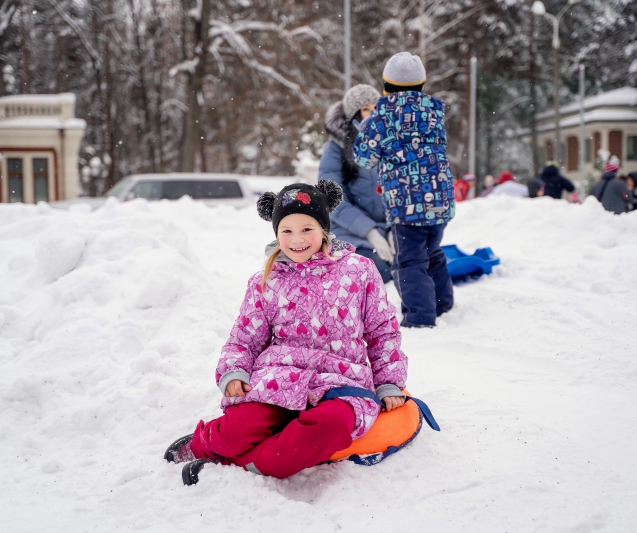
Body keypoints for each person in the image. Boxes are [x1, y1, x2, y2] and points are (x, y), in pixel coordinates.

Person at [164, 180, 408, 482]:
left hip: (341, 380)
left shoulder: (359, 270)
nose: (297, 240)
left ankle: (245, 465)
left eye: (307, 229)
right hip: (280, 377)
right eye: (287, 231)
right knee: (239, 429)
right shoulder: (265, 280)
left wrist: (389, 384)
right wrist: (234, 372)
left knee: (326, 429)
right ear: (277, 234)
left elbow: (382, 331)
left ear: (324, 229)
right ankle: (207, 443)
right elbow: (244, 337)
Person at [353, 51, 455, 328]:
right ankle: (442, 303)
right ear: (422, 85)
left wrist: (364, 127)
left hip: (406, 204)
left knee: (409, 261)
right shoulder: (434, 113)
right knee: (432, 252)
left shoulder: (381, 118)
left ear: (385, 86)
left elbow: (363, 157)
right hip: (440, 201)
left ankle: (420, 317)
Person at [319, 84, 393, 283]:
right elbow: (332, 200)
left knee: (414, 265)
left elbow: (400, 192)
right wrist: (369, 232)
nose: (372, 114)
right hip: (349, 232)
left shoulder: (389, 144)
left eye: (376, 108)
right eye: (366, 109)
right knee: (377, 271)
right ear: (354, 114)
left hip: (388, 229)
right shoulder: (336, 148)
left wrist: (394, 230)